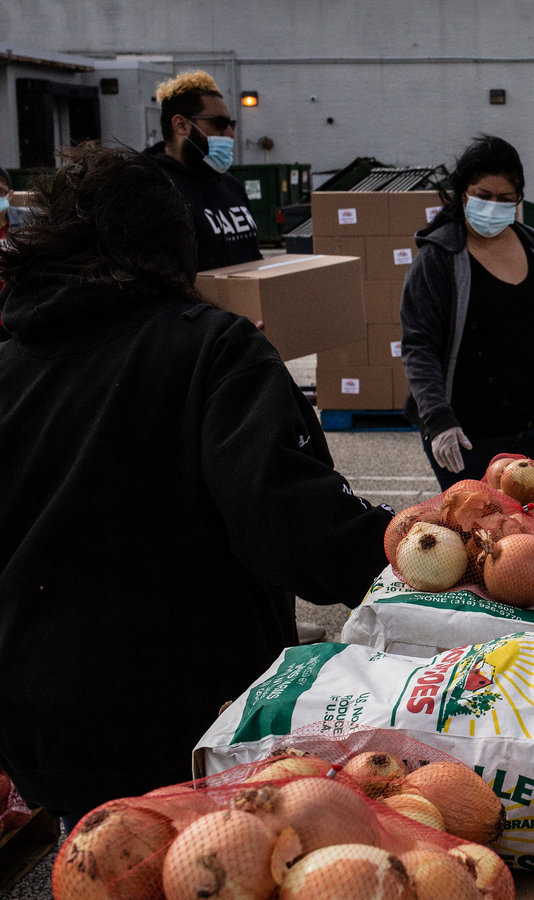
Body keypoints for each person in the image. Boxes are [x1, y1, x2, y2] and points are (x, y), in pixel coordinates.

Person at [0, 144, 392, 823]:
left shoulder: (11, 365)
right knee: (198, 859)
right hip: (179, 717)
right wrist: (407, 547)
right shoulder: (215, 348)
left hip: (37, 718)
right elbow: (291, 526)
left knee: (97, 851)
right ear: (172, 245)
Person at [401, 135, 534, 489]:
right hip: (468, 438)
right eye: (483, 196)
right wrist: (437, 419)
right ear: (463, 193)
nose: (492, 207)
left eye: (505, 199)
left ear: (518, 200)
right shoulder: (439, 259)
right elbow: (419, 347)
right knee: (484, 522)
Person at [145, 69, 262, 270]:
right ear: (181, 125)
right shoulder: (150, 189)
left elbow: (254, 258)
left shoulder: (230, 186)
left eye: (231, 124)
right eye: (219, 124)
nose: (230, 134)